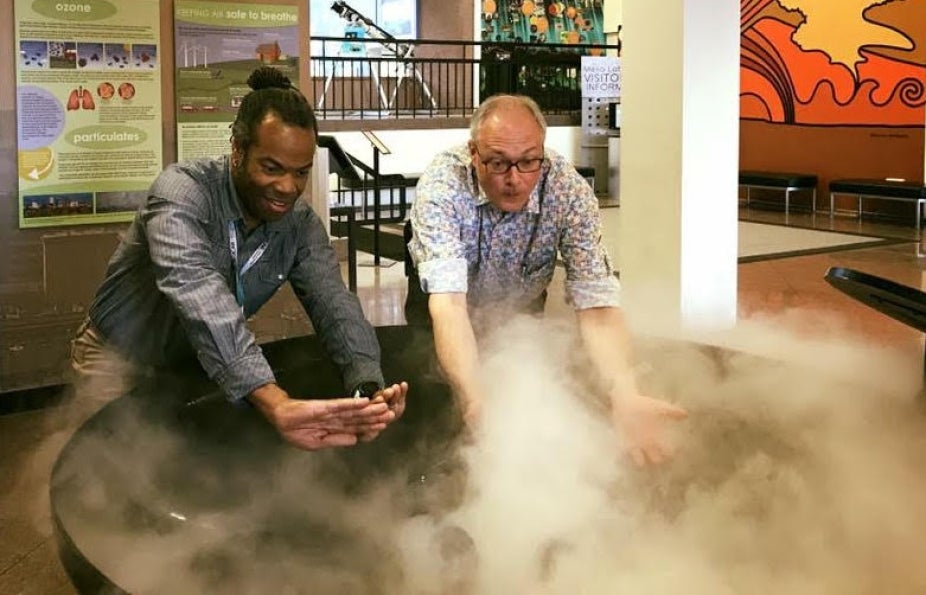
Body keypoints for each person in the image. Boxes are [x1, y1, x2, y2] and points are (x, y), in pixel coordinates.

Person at [72, 66, 407, 450]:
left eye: (301, 172)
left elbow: (335, 305)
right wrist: (274, 401)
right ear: (237, 149)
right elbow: (200, 296)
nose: (287, 187)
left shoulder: (299, 226)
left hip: (197, 362)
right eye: (271, 168)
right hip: (118, 358)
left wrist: (367, 389)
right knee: (107, 475)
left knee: (181, 469)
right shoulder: (182, 194)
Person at [407, 94, 686, 466]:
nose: (514, 179)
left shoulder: (567, 191)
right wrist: (474, 398)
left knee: (523, 387)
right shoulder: (443, 186)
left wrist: (624, 391)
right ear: (474, 154)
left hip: (521, 306)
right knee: (442, 404)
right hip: (444, 308)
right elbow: (449, 306)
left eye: (528, 162)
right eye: (498, 163)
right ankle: (432, 488)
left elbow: (597, 304)